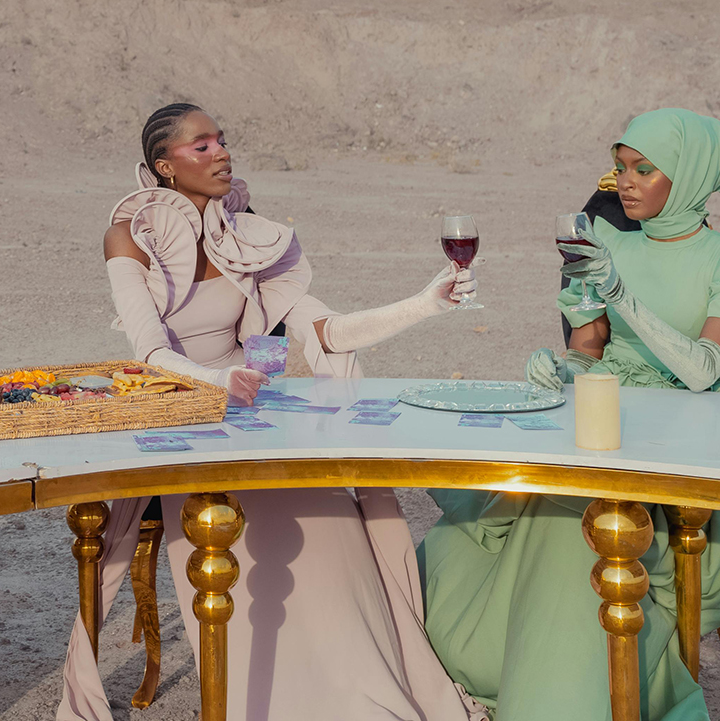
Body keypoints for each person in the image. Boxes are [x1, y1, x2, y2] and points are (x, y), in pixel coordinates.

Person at [60, 102, 484, 721]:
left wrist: (426, 303)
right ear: (163, 166)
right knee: (247, 523)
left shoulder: (246, 231)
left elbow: (327, 331)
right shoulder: (130, 234)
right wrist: (213, 379)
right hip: (185, 419)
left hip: (255, 412)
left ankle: (358, 696)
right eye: (200, 146)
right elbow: (147, 351)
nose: (220, 153)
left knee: (332, 511)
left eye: (222, 141)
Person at [419, 107, 720, 721]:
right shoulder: (604, 242)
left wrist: (621, 292)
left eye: (644, 169)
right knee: (565, 510)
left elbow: (706, 371)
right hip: (608, 423)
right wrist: (564, 369)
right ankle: (545, 678)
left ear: (688, 177)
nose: (625, 182)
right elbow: (589, 348)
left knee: (576, 515)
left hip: (689, 441)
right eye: (621, 167)